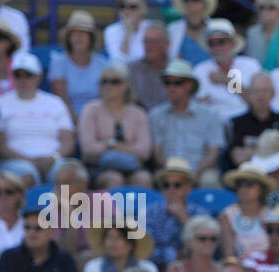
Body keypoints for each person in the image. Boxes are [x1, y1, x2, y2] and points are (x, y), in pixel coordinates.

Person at [0, 52, 74, 187]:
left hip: (53, 159)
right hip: (16, 161)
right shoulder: (1, 103)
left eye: (28, 75)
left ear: (39, 77)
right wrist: (28, 161)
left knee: (69, 175)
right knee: (26, 178)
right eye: (18, 75)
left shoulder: (55, 103)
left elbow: (68, 140)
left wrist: (53, 158)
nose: (23, 80)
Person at [149, 59, 223, 189]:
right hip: (167, 170)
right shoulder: (155, 115)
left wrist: (195, 172)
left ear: (190, 85)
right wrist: (172, 172)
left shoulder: (210, 115)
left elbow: (213, 153)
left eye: (177, 83)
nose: (171, 88)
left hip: (199, 171)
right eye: (167, 83)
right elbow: (157, 152)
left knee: (210, 180)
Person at [78, 62, 153, 190]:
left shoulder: (138, 113)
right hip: (99, 167)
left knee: (143, 179)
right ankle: (112, 211)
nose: (108, 86)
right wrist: (127, 148)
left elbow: (145, 151)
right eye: (104, 81)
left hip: (133, 167)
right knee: (114, 179)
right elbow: (88, 148)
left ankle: (140, 211)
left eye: (115, 82)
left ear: (126, 85)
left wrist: (111, 144)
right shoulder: (90, 109)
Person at [192, 19, 260, 124]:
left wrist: (227, 80)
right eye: (212, 43)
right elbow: (201, 106)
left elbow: (258, 101)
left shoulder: (251, 65)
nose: (217, 47)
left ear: (232, 43)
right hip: (214, 125)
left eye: (221, 42)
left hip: (248, 123)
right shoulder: (200, 70)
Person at [147, 157, 208, 272]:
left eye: (177, 185)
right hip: (157, 269)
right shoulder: (150, 212)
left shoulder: (201, 213)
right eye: (166, 185)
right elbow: (146, 249)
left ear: (188, 187)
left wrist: (184, 218)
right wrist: (174, 255)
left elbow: (206, 245)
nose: (171, 189)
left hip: (193, 270)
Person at [48, 10, 108, 125]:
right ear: (68, 38)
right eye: (74, 33)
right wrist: (79, 124)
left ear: (91, 38)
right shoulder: (58, 63)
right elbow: (62, 100)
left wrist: (91, 125)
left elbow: (104, 99)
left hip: (97, 120)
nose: (78, 37)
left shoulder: (103, 64)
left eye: (83, 33)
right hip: (65, 119)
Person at [229, 72, 279, 167]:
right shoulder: (238, 122)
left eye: (265, 91)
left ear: (273, 94)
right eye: (256, 91)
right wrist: (273, 146)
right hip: (249, 172)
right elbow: (238, 157)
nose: (260, 96)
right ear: (249, 94)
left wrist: (253, 142)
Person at [220, 162, 275, 259]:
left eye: (249, 184)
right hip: (239, 270)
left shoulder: (271, 216)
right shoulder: (227, 215)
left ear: (261, 189)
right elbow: (229, 255)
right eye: (239, 184)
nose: (243, 188)